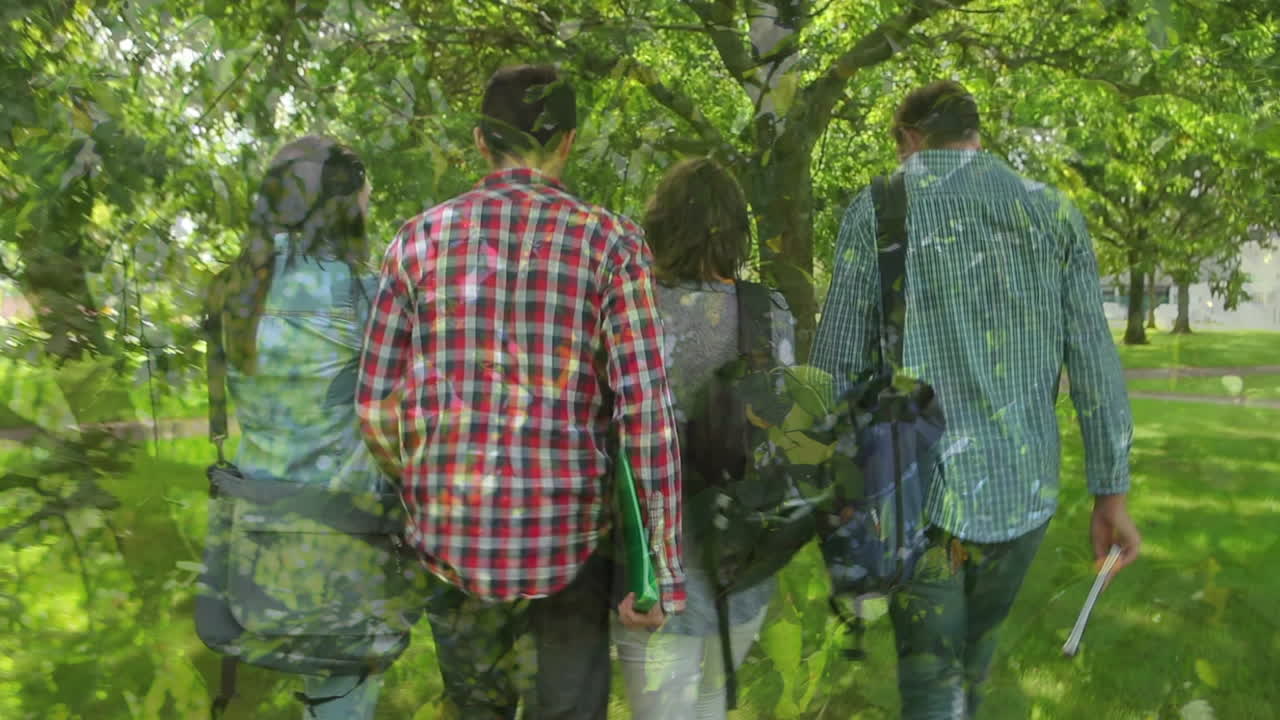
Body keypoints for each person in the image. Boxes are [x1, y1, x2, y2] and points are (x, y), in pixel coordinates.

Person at [356, 64, 685, 720]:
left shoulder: (416, 241)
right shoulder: (611, 244)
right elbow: (645, 412)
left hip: (452, 542)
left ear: (481, 141)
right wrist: (661, 569)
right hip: (569, 546)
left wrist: (425, 484)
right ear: (568, 141)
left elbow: (373, 408)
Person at [811, 81, 1142, 719]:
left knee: (932, 678)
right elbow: (1094, 363)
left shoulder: (880, 206)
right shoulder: (1053, 212)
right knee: (973, 659)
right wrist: (1112, 494)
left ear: (910, 137)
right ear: (973, 133)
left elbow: (834, 367)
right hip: (1024, 490)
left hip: (915, 490)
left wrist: (828, 487)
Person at [611, 157, 796, 720]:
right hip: (740, 563)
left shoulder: (633, 306)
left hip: (649, 569)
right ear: (735, 231)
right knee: (713, 701)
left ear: (661, 224)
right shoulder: (769, 312)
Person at [209, 135, 384, 719]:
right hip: (338, 540)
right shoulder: (361, 294)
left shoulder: (237, 288)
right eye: (364, 200)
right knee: (342, 696)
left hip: (257, 536)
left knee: (321, 691)